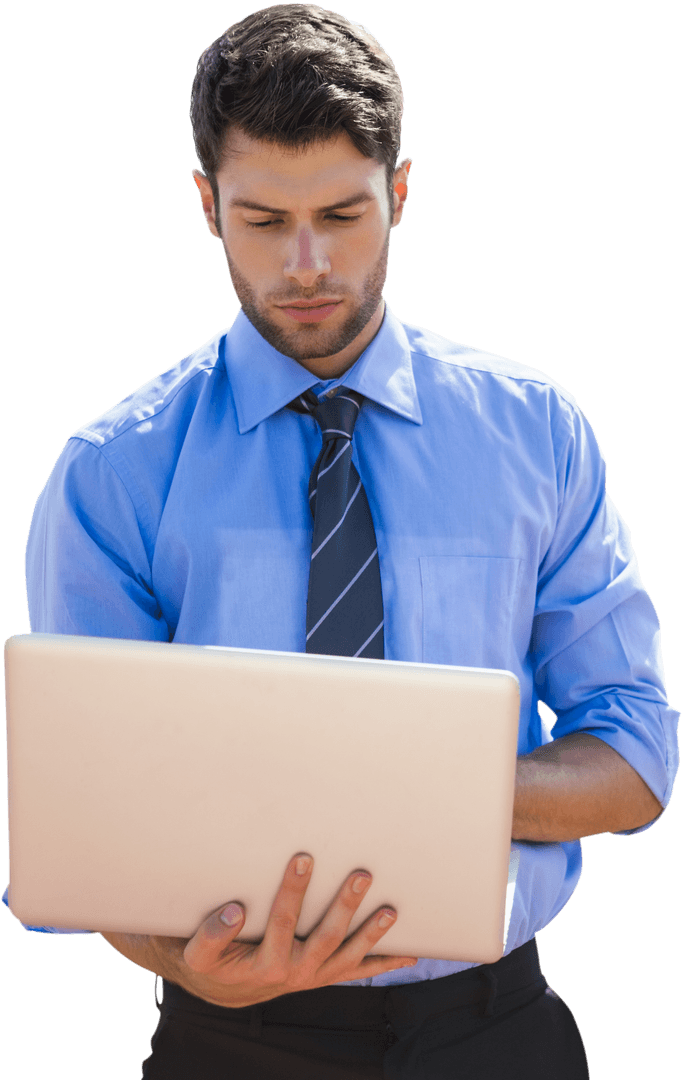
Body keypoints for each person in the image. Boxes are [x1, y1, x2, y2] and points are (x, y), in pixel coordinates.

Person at [2, 4, 678, 1077]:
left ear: (398, 193)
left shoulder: (533, 430)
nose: (308, 263)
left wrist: (416, 786)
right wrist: (184, 963)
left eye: (343, 214)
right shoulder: (112, 473)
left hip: (498, 1033)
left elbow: (636, 753)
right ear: (205, 206)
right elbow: (83, 836)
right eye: (263, 220)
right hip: (232, 1040)